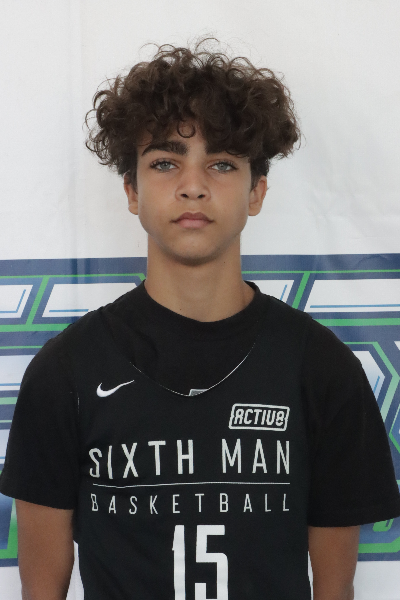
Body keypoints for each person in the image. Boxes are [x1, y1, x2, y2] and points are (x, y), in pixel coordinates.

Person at [1, 40, 399, 600]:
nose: (193, 185)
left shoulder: (321, 369)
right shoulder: (64, 373)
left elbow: (336, 591)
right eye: (165, 163)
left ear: (257, 191)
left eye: (222, 164)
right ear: (132, 191)